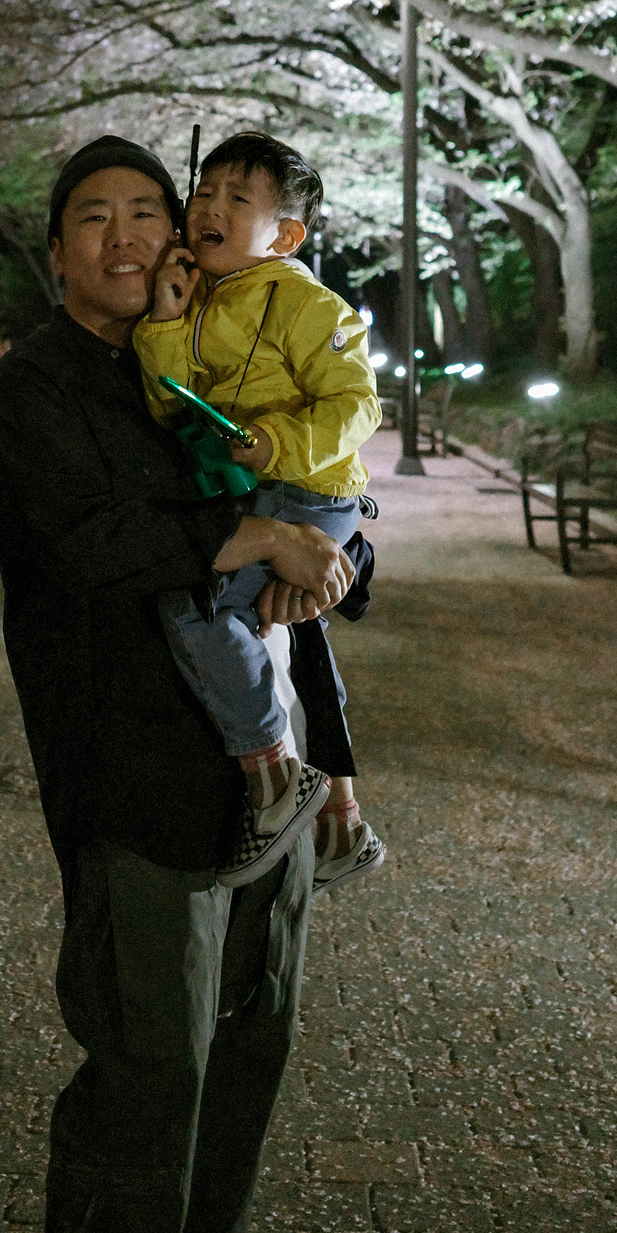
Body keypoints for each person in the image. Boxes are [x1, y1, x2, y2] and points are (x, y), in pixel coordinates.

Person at [0, 134, 354, 1233]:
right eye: (95, 217)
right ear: (56, 251)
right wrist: (262, 536)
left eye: (150, 210)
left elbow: (315, 538)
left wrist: (336, 745)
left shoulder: (215, 359)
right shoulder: (31, 390)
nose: (130, 235)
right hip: (138, 787)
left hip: (276, 787)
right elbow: (84, 545)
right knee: (150, 1075)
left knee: (251, 1048)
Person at [136, 131, 385, 894]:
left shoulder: (309, 305)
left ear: (284, 236)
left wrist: (276, 442)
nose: (208, 208)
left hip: (308, 492)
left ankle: (273, 774)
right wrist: (166, 322)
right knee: (285, 629)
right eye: (203, 193)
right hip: (250, 495)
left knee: (199, 603)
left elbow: (358, 405)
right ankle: (339, 821)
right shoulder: (195, 296)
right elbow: (169, 405)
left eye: (235, 199)